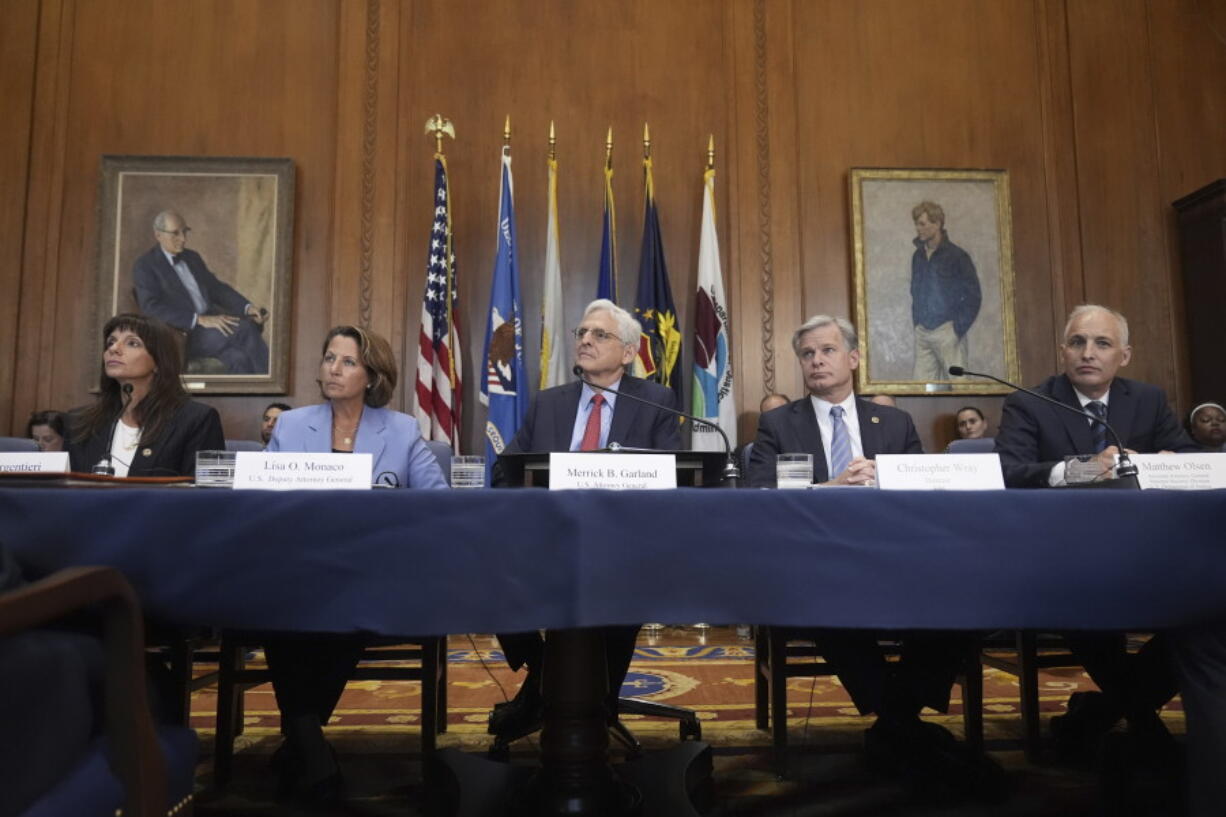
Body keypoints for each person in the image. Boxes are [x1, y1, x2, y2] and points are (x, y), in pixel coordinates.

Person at [748, 315, 998, 798]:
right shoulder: (780, 423)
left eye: (827, 350)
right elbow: (760, 492)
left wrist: (886, 480)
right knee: (827, 604)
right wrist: (830, 486)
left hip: (896, 559)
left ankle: (894, 723)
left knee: (963, 602)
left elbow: (925, 493)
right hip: (817, 562)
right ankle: (905, 727)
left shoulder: (894, 422)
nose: (817, 361)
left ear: (853, 358)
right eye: (807, 354)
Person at [993, 304, 1199, 758]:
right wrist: (1082, 469)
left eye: (1102, 343)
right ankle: (1143, 727)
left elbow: (1188, 458)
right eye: (1078, 342)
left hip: (1146, 555)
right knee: (1077, 603)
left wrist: (1173, 464)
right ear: (1063, 351)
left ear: (1123, 356)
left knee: (1204, 612)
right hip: (1060, 559)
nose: (1089, 352)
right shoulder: (1030, 402)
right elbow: (1008, 471)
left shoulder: (1146, 399)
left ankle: (1096, 715)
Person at [263, 325, 446, 800]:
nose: (333, 369)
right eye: (328, 358)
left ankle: (302, 738)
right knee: (279, 598)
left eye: (346, 361)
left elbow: (437, 501)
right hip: (298, 565)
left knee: (351, 598)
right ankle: (307, 738)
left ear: (371, 374)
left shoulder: (401, 429)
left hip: (373, 568)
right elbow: (257, 498)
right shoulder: (290, 425)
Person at [489, 299, 681, 741]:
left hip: (622, 539)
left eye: (600, 334)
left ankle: (593, 705)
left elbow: (672, 476)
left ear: (629, 352)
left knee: (619, 577)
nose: (586, 340)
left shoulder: (655, 401)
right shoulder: (549, 403)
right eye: (581, 333)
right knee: (487, 559)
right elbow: (505, 469)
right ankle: (543, 674)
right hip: (548, 534)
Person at [68, 313, 224, 476]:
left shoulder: (199, 420)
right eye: (111, 342)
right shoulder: (78, 423)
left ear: (158, 362)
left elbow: (212, 493)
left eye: (132, 343)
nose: (113, 349)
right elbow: (62, 492)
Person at [132, 210, 270, 374]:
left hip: (212, 324)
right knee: (246, 329)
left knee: (238, 359)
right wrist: (198, 319)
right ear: (158, 235)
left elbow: (216, 288)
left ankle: (260, 395)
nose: (183, 239)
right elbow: (151, 308)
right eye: (175, 233)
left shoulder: (192, 257)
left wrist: (247, 307)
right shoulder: (145, 266)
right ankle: (275, 380)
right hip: (184, 334)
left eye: (185, 232)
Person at [910, 201, 981, 381]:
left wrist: (957, 329)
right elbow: (915, 291)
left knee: (960, 387)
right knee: (921, 390)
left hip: (948, 332)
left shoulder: (957, 256)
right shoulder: (917, 256)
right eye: (917, 224)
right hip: (923, 332)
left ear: (938, 224)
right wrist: (917, 323)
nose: (918, 229)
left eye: (922, 224)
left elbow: (974, 296)